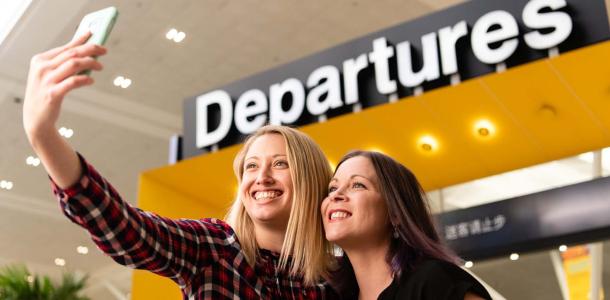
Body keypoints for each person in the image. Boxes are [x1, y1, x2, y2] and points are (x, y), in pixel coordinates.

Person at [23, 31, 338, 299]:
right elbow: (127, 229)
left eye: (280, 163)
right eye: (251, 167)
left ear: (310, 179)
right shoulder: (215, 249)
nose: (262, 178)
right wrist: (43, 135)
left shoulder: (334, 282)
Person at [322, 150, 492, 300]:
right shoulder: (330, 295)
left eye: (358, 185)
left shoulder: (435, 281)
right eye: (332, 188)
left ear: (395, 213)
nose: (335, 195)